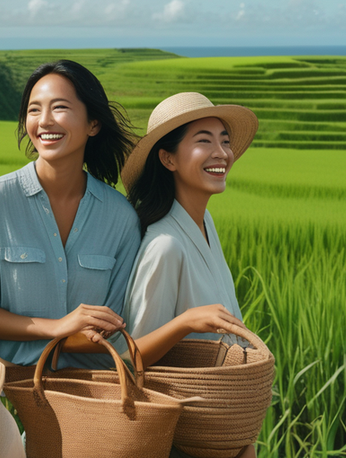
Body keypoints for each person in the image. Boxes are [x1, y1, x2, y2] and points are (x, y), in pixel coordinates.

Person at [0, 60, 141, 369]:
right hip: (9, 390)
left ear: (93, 124)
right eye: (33, 110)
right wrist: (58, 327)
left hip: (91, 396)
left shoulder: (120, 217)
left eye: (59, 108)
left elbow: (113, 327)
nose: (44, 121)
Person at [121, 92, 259, 458]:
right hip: (182, 442)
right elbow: (130, 359)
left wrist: (243, 439)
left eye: (224, 141)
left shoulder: (204, 223)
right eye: (204, 141)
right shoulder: (165, 245)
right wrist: (185, 321)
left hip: (221, 432)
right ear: (168, 158)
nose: (222, 153)